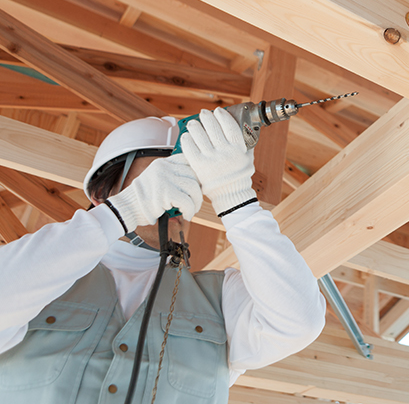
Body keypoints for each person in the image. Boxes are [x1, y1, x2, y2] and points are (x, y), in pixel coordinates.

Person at [0, 108, 326, 403]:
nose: (180, 192)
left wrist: (236, 197)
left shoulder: (221, 301)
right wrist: (125, 210)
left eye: (192, 181)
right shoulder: (42, 282)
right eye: (162, 176)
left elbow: (300, 322)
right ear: (103, 193)